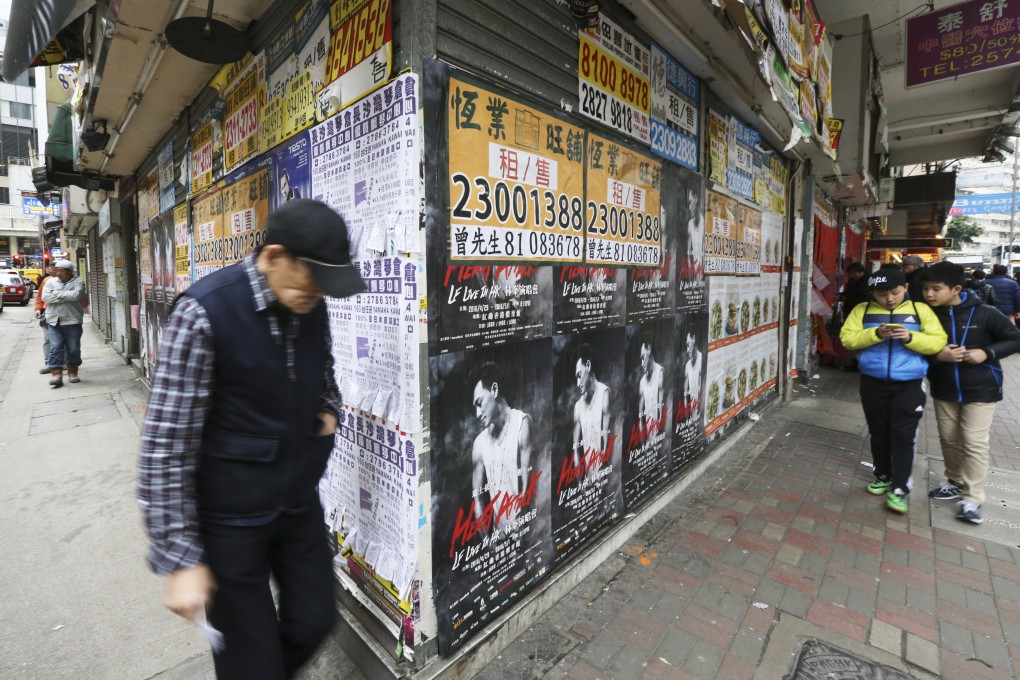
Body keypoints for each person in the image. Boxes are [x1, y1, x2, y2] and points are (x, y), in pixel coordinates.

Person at [137, 199, 366, 680]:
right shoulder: (203, 313)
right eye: (314, 280)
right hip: (229, 521)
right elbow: (165, 446)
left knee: (314, 619)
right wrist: (181, 558)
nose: (319, 295)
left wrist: (328, 414)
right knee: (251, 657)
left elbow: (324, 376)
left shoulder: (309, 304)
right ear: (275, 255)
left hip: (297, 504)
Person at [839, 266, 947, 514]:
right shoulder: (862, 310)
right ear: (873, 293)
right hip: (872, 382)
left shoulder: (920, 311)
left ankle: (900, 488)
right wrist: (876, 333)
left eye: (895, 292)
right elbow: (847, 339)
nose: (888, 299)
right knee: (878, 432)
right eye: (881, 294)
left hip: (909, 383)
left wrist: (910, 338)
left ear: (906, 288)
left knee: (902, 434)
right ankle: (883, 476)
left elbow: (937, 341)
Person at [922, 262, 1020, 525]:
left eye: (936, 289)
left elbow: (1015, 338)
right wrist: (938, 355)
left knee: (974, 441)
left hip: (982, 387)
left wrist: (986, 352)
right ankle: (954, 480)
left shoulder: (986, 313)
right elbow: (918, 347)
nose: (929, 294)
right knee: (949, 438)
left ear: (956, 289)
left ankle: (973, 498)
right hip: (943, 387)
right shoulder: (928, 316)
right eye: (925, 289)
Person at [470, 361, 534, 534]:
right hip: (499, 542)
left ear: (494, 390)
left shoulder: (522, 424)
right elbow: (477, 499)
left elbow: (528, 490)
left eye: (479, 403)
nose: (477, 414)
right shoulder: (479, 444)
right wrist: (488, 543)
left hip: (525, 536)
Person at [42, 260, 85, 388]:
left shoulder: (78, 281)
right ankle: (56, 374)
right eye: (56, 270)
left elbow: (76, 295)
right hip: (54, 320)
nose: (58, 273)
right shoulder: (50, 282)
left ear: (70, 271)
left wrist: (57, 294)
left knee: (73, 348)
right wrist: (65, 296)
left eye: (61, 271)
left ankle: (73, 371)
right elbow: (46, 297)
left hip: (72, 320)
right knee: (55, 347)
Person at [34, 263, 59, 375]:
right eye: (50, 268)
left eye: (54, 268)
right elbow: (39, 296)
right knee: (48, 339)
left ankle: (62, 363)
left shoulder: (67, 281)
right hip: (47, 314)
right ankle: (49, 363)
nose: (51, 270)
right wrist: (38, 309)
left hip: (62, 314)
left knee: (62, 340)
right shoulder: (46, 281)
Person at [638, 332, 665, 424]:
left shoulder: (660, 372)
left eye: (643, 357)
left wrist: (661, 421)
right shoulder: (642, 382)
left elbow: (663, 402)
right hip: (648, 435)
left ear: (649, 349)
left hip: (660, 430)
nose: (642, 363)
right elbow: (640, 414)